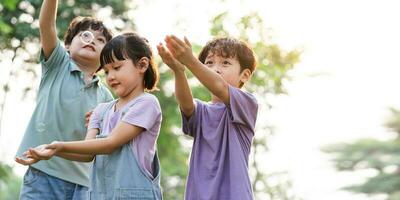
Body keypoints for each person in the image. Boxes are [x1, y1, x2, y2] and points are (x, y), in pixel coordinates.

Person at [17, 32, 163, 200]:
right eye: (106, 71)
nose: (111, 77)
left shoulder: (146, 103)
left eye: (117, 68)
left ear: (142, 65)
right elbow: (87, 152)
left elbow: (110, 143)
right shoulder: (101, 110)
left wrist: (60, 146)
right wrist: (53, 151)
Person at [14, 0, 113, 199]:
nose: (91, 40)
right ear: (67, 45)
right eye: (84, 34)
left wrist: (102, 122)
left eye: (101, 40)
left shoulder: (106, 97)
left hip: (84, 186)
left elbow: (104, 143)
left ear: (106, 58)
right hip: (43, 173)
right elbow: (46, 24)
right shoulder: (57, 65)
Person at [157, 35, 258, 200]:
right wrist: (178, 70)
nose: (215, 69)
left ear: (245, 75)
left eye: (225, 63)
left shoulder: (247, 104)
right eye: (209, 63)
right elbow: (186, 105)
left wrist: (190, 61)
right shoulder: (202, 110)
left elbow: (219, 86)